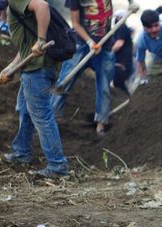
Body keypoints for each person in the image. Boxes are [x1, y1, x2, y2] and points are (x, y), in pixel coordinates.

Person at [0, 0, 69, 177]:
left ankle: (57, 165)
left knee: (42, 115)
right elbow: (26, 47)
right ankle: (21, 152)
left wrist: (41, 40)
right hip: (34, 67)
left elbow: (42, 6)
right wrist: (11, 68)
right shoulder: (17, 7)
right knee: (24, 109)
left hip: (37, 70)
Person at [50, 0, 120, 136]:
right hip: (81, 45)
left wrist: (131, 3)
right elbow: (75, 23)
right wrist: (89, 42)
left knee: (104, 85)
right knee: (65, 80)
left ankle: (101, 122)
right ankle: (51, 119)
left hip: (105, 44)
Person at [111, 9, 134, 97]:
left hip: (122, 61)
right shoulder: (121, 28)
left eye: (117, 18)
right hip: (124, 60)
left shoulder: (121, 27)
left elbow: (119, 44)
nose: (115, 19)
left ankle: (128, 99)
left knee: (118, 81)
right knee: (119, 83)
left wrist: (109, 53)